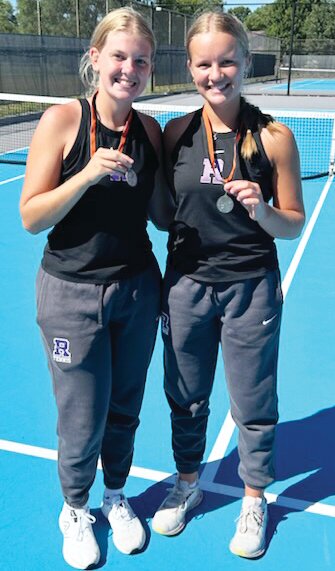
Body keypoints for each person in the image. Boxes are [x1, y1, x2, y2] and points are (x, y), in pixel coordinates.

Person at [20, 7, 173, 570]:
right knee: (81, 412)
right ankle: (76, 507)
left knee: (125, 408)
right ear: (95, 59)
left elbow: (160, 215)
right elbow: (32, 217)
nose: (129, 69)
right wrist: (86, 175)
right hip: (71, 295)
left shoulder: (150, 130)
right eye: (119, 56)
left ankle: (114, 495)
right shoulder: (63, 120)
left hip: (136, 289)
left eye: (141, 61)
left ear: (150, 69)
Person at [152, 11, 305, 559]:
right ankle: (188, 483)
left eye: (227, 61)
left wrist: (262, 210)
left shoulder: (275, 138)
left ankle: (254, 497)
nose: (216, 73)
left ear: (244, 61)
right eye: (203, 63)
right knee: (186, 397)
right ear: (190, 67)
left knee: (253, 401)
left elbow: (293, 223)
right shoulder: (174, 133)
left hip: (250, 288)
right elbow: (163, 213)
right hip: (187, 286)